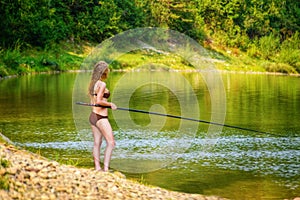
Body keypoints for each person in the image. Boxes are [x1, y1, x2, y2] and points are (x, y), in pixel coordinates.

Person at [88, 61, 117, 172]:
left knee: (97, 143)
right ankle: (105, 169)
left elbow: (94, 101)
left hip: (93, 116)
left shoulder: (93, 84)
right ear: (104, 72)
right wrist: (110, 104)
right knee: (111, 142)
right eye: (107, 70)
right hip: (101, 118)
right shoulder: (102, 84)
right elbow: (99, 101)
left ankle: (97, 168)